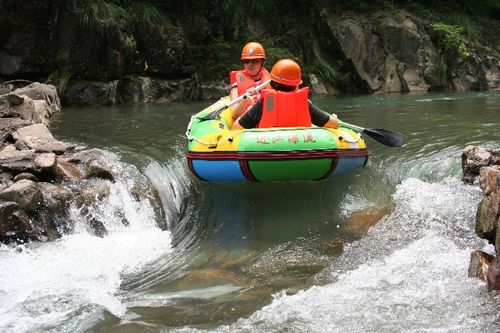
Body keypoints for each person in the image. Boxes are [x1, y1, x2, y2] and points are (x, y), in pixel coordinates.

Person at [231, 59, 340, 130]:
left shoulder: (268, 103)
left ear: (272, 83)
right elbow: (334, 124)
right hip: (302, 147)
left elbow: (236, 128)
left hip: (267, 147)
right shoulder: (304, 104)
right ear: (296, 85)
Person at [229, 42, 271, 119]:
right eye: (246, 61)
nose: (250, 64)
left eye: (254, 61)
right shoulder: (236, 85)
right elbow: (234, 114)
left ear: (262, 62)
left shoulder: (271, 82)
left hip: (266, 122)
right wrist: (245, 98)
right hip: (246, 123)